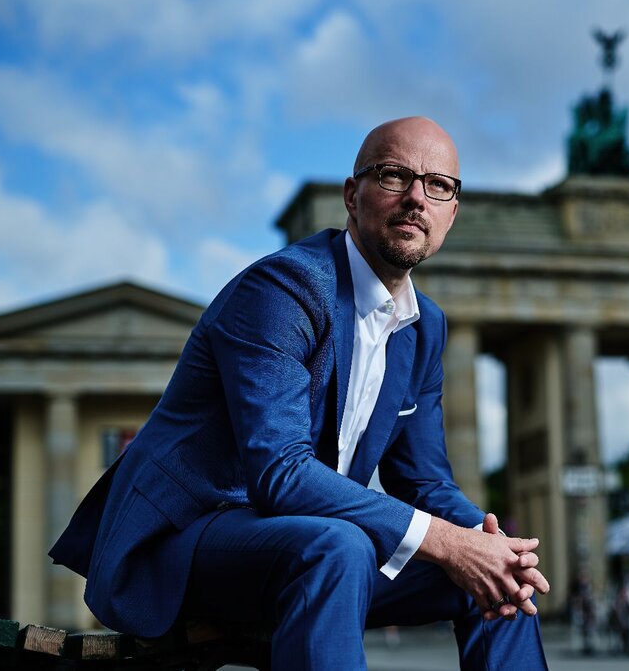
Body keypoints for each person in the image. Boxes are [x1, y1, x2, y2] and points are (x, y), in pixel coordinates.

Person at [50, 117, 550, 670]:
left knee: (501, 583)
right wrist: (447, 542)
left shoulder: (424, 327)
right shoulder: (285, 288)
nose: (415, 198)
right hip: (191, 540)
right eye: (393, 176)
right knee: (339, 546)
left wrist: (489, 544)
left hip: (317, 547)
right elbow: (279, 472)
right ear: (351, 196)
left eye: (438, 186)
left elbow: (425, 480)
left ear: (452, 212)